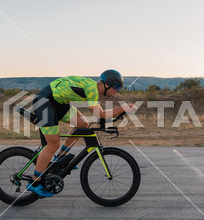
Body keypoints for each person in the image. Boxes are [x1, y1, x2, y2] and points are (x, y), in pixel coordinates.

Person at [27, 69, 137, 197]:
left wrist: (121, 112)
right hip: (44, 102)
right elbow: (100, 114)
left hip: (58, 103)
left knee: (82, 125)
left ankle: (61, 158)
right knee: (52, 145)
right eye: (116, 87)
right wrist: (122, 108)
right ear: (107, 84)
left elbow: (100, 117)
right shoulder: (92, 89)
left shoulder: (93, 89)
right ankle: (35, 183)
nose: (117, 91)